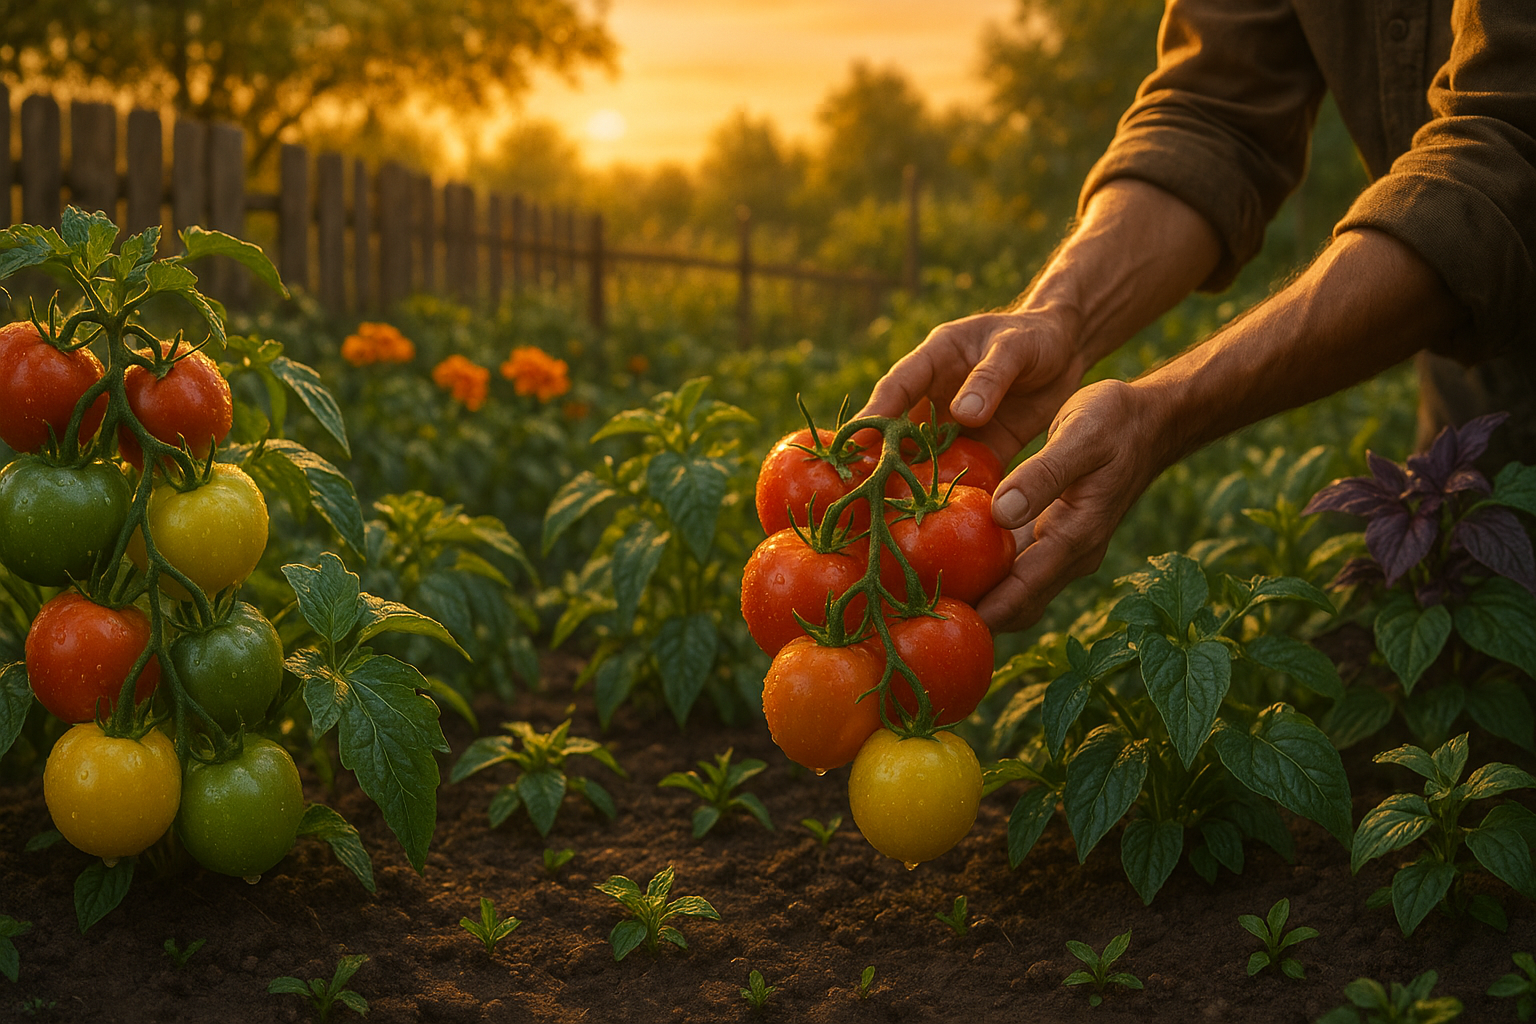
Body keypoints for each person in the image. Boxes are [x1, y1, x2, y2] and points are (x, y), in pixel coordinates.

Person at [859, 0, 1535, 634]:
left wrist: (1164, 411)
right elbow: (1214, 112)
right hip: (1473, 446)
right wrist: (1057, 315)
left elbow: (1508, 154)